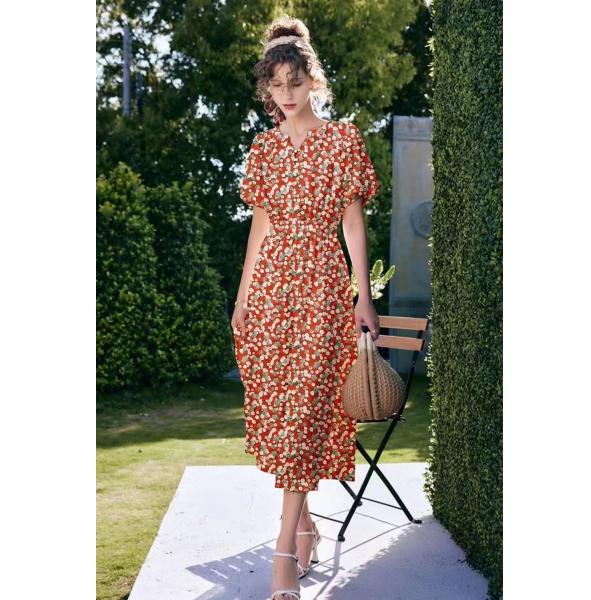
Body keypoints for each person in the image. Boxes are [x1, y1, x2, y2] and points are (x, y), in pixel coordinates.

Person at [231, 16, 381, 600]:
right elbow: (260, 227)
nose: (286, 93)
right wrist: (243, 297)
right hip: (272, 292)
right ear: (266, 88)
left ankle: (282, 557)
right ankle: (306, 525)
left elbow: (352, 224)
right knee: (284, 408)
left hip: (321, 288)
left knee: (307, 408)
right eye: (276, 84)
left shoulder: (342, 140)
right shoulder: (264, 148)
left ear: (312, 80)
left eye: (295, 81)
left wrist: (362, 294)